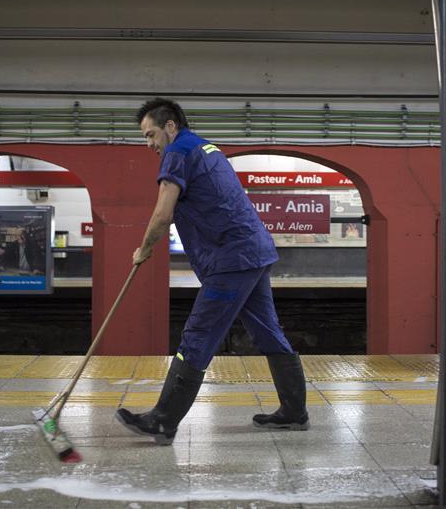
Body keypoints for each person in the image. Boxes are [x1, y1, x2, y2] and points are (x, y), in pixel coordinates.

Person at [115, 98, 309, 445]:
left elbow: (162, 214)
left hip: (231, 259)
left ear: (170, 126)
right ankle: (294, 412)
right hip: (252, 252)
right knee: (267, 331)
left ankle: (163, 419)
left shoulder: (178, 152)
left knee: (199, 333)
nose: (149, 145)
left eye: (151, 135)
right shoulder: (206, 148)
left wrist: (143, 249)